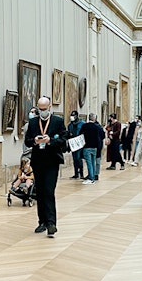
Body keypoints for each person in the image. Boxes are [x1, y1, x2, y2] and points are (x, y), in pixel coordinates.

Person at [24, 96, 69, 236]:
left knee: (49, 191)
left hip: (52, 162)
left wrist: (50, 141)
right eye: (40, 109)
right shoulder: (32, 123)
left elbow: (63, 139)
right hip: (38, 161)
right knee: (41, 192)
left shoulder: (58, 121)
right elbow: (27, 141)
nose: (42, 111)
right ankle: (42, 222)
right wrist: (35, 141)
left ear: (49, 108)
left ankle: (51, 223)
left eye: (44, 109)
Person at [79, 114, 105, 183]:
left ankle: (91, 177)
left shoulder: (85, 126)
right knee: (93, 162)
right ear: (94, 119)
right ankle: (93, 176)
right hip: (95, 147)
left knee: (89, 163)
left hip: (87, 146)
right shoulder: (97, 127)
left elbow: (80, 134)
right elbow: (101, 136)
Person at [66, 110, 85, 179]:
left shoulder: (82, 123)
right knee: (74, 159)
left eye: (73, 116)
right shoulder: (70, 125)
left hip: (79, 143)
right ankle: (76, 173)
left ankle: (81, 173)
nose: (72, 117)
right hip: (73, 143)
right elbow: (68, 133)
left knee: (78, 158)